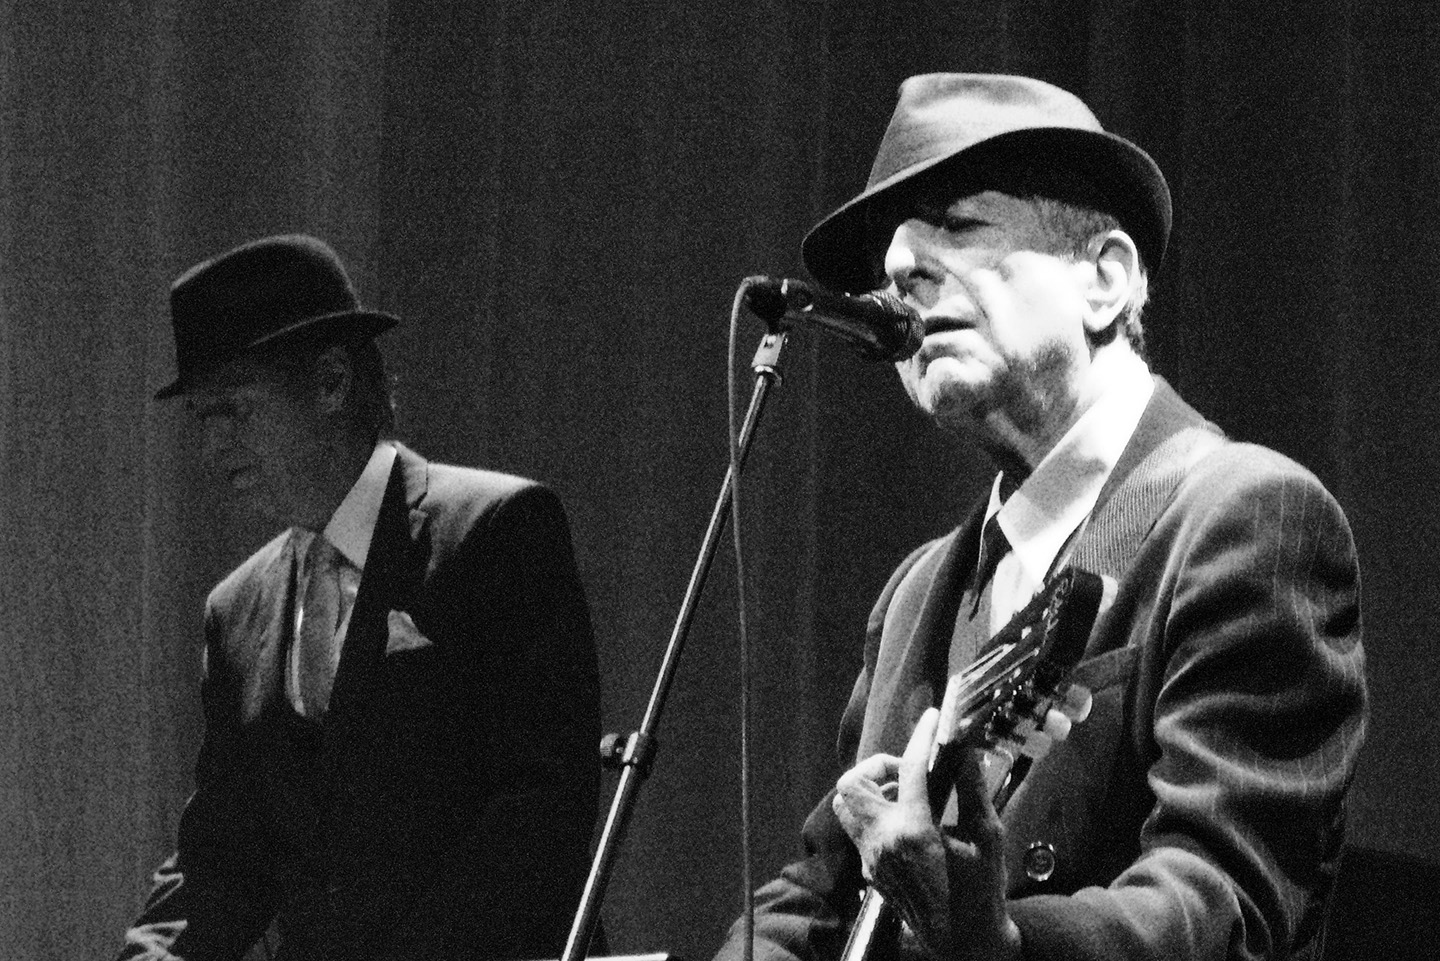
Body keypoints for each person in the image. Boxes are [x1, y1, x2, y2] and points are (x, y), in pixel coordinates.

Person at [714, 74, 1367, 961]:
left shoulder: (1249, 519)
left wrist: (1006, 940)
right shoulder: (913, 595)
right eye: (890, 256)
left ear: (1105, 279)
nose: (901, 266)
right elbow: (823, 897)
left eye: (955, 222)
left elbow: (1223, 900)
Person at [119, 234, 601, 960]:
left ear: (333, 381)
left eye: (235, 410)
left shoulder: (497, 530)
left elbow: (538, 818)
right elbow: (220, 860)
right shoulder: (237, 607)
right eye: (201, 419)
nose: (213, 445)